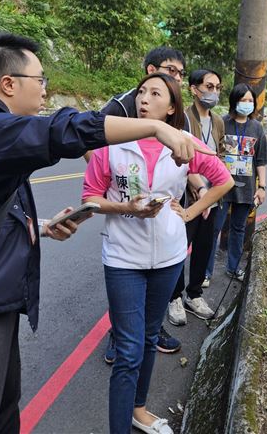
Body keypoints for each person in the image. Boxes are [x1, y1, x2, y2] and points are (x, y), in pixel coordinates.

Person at [0, 31, 207, 434]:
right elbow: (59, 130)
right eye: (40, 81)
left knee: (1, 415)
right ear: (8, 84)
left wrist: (40, 228)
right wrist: (153, 129)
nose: (45, 90)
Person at [82, 72, 233, 434]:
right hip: (122, 259)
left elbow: (224, 180)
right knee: (129, 351)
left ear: (171, 107)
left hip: (167, 258)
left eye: (155, 93)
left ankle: (138, 410)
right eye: (141, 92)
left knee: (149, 338)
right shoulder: (112, 147)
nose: (144, 99)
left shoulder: (183, 144)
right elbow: (90, 199)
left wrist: (190, 213)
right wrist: (125, 209)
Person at [93, 46, 193, 361]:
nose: (175, 76)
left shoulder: (180, 117)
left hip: (164, 222)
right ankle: (119, 335)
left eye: (179, 72)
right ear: (150, 70)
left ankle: (152, 330)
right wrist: (109, 180)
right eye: (169, 69)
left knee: (156, 285)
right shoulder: (122, 106)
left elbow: (193, 163)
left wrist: (189, 206)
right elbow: (92, 141)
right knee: (126, 281)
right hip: (125, 206)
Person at [166, 69, 225, 325]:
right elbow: (182, 161)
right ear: (193, 89)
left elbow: (220, 157)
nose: (213, 92)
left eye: (217, 88)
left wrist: (214, 192)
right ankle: (175, 297)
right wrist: (200, 188)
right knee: (180, 248)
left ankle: (194, 294)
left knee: (204, 246)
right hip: (191, 196)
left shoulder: (219, 122)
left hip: (214, 196)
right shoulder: (183, 119)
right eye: (208, 86)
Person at [214, 83, 267, 282]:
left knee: (238, 229)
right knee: (214, 228)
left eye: (250, 100)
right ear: (233, 101)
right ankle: (205, 272)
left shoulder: (256, 128)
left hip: (246, 190)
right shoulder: (221, 123)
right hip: (221, 187)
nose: (247, 104)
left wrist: (261, 187)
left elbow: (261, 160)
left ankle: (234, 267)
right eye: (242, 100)